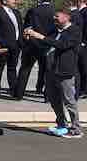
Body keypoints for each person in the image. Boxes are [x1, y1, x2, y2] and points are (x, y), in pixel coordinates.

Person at [24, 8, 82, 138]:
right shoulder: (54, 30)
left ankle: (76, 128)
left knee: (69, 100)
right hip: (51, 69)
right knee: (54, 99)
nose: (54, 19)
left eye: (57, 16)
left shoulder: (74, 31)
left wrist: (40, 36)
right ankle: (62, 123)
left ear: (66, 17)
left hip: (65, 70)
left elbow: (62, 45)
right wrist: (31, 37)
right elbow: (45, 43)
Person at [16, 0, 55, 99]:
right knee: (47, 71)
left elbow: (26, 26)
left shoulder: (33, 11)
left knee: (25, 69)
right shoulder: (54, 11)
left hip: (32, 44)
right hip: (47, 44)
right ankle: (47, 96)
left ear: (40, 0)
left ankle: (19, 93)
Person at [0, 0, 22, 97]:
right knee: (0, 66)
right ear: (4, 1)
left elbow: (19, 27)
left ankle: (13, 90)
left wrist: (21, 41)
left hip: (16, 45)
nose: (14, 1)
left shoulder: (16, 12)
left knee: (12, 68)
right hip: (3, 45)